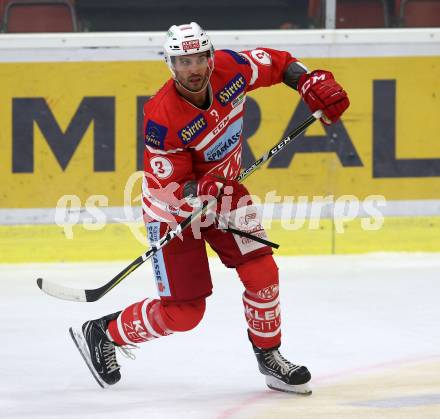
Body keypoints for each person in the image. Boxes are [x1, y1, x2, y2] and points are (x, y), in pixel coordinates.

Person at [70, 22, 349, 394]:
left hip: (227, 195)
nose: (194, 68)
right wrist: (201, 188)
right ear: (171, 65)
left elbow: (279, 63)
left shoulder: (231, 69)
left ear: (210, 56)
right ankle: (103, 332)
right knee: (184, 315)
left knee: (263, 272)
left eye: (199, 58)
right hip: (175, 213)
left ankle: (270, 357)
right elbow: (166, 185)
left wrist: (309, 81)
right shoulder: (161, 116)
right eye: (183, 62)